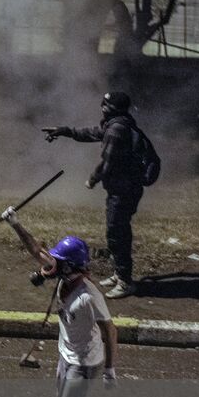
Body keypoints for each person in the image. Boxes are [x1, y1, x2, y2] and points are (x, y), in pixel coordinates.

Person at [0, 209, 117, 397]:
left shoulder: (89, 297)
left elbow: (111, 330)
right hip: (66, 354)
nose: (51, 264)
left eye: (58, 262)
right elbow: (35, 251)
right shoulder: (64, 274)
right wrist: (15, 223)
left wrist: (110, 368)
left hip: (85, 363)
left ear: (71, 267)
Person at [41, 91, 147, 299]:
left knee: (118, 233)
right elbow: (91, 133)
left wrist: (92, 179)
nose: (102, 108)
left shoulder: (117, 129)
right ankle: (119, 273)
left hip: (124, 191)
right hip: (121, 189)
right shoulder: (116, 124)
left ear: (112, 109)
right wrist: (65, 131)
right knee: (115, 231)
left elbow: (107, 163)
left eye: (105, 105)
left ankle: (125, 281)